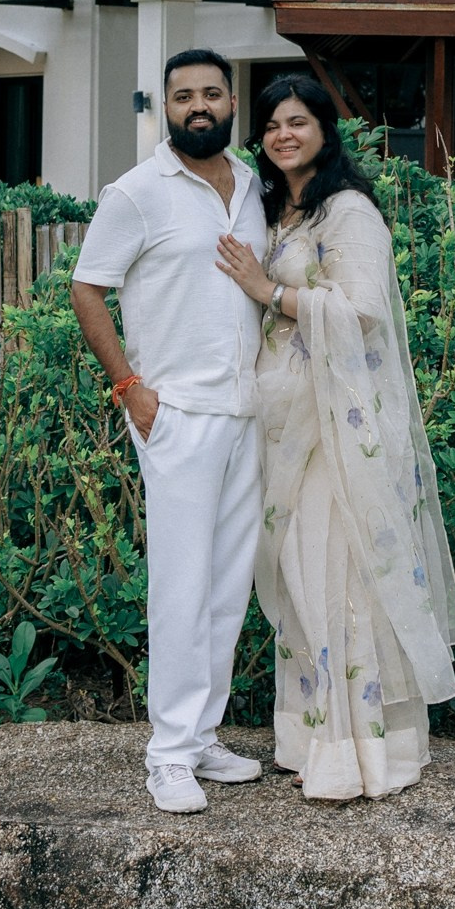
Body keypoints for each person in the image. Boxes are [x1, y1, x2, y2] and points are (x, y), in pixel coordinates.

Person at [216, 73, 455, 801]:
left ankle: (364, 753)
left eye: (297, 122)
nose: (283, 135)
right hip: (285, 425)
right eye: (270, 125)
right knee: (301, 574)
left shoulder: (347, 211)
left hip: (339, 428)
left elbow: (360, 313)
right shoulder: (275, 212)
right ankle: (310, 736)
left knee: (342, 572)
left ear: (326, 130)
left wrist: (270, 294)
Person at [70, 49, 270, 814]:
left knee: (226, 586)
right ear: (165, 107)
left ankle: (202, 737)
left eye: (211, 93)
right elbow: (88, 287)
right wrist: (129, 387)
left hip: (248, 411)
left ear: (230, 102)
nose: (198, 106)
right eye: (182, 95)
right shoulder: (137, 192)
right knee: (181, 587)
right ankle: (167, 756)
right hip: (177, 414)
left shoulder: (252, 186)